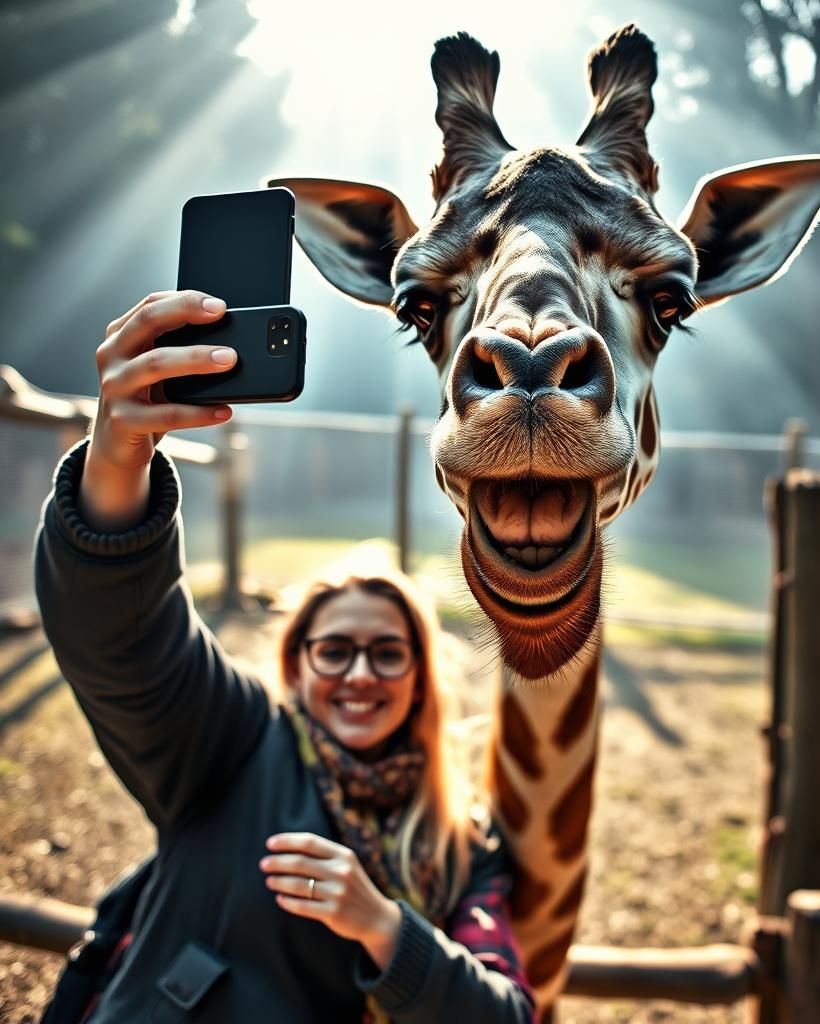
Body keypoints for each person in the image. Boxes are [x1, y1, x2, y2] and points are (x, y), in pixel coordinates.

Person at [34, 289, 536, 1023]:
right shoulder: (234, 743)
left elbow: (506, 1013)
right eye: (333, 650)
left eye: (388, 654)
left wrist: (384, 926)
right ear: (297, 667)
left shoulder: (463, 838)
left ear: (421, 678)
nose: (360, 674)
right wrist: (116, 457)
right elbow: (120, 641)